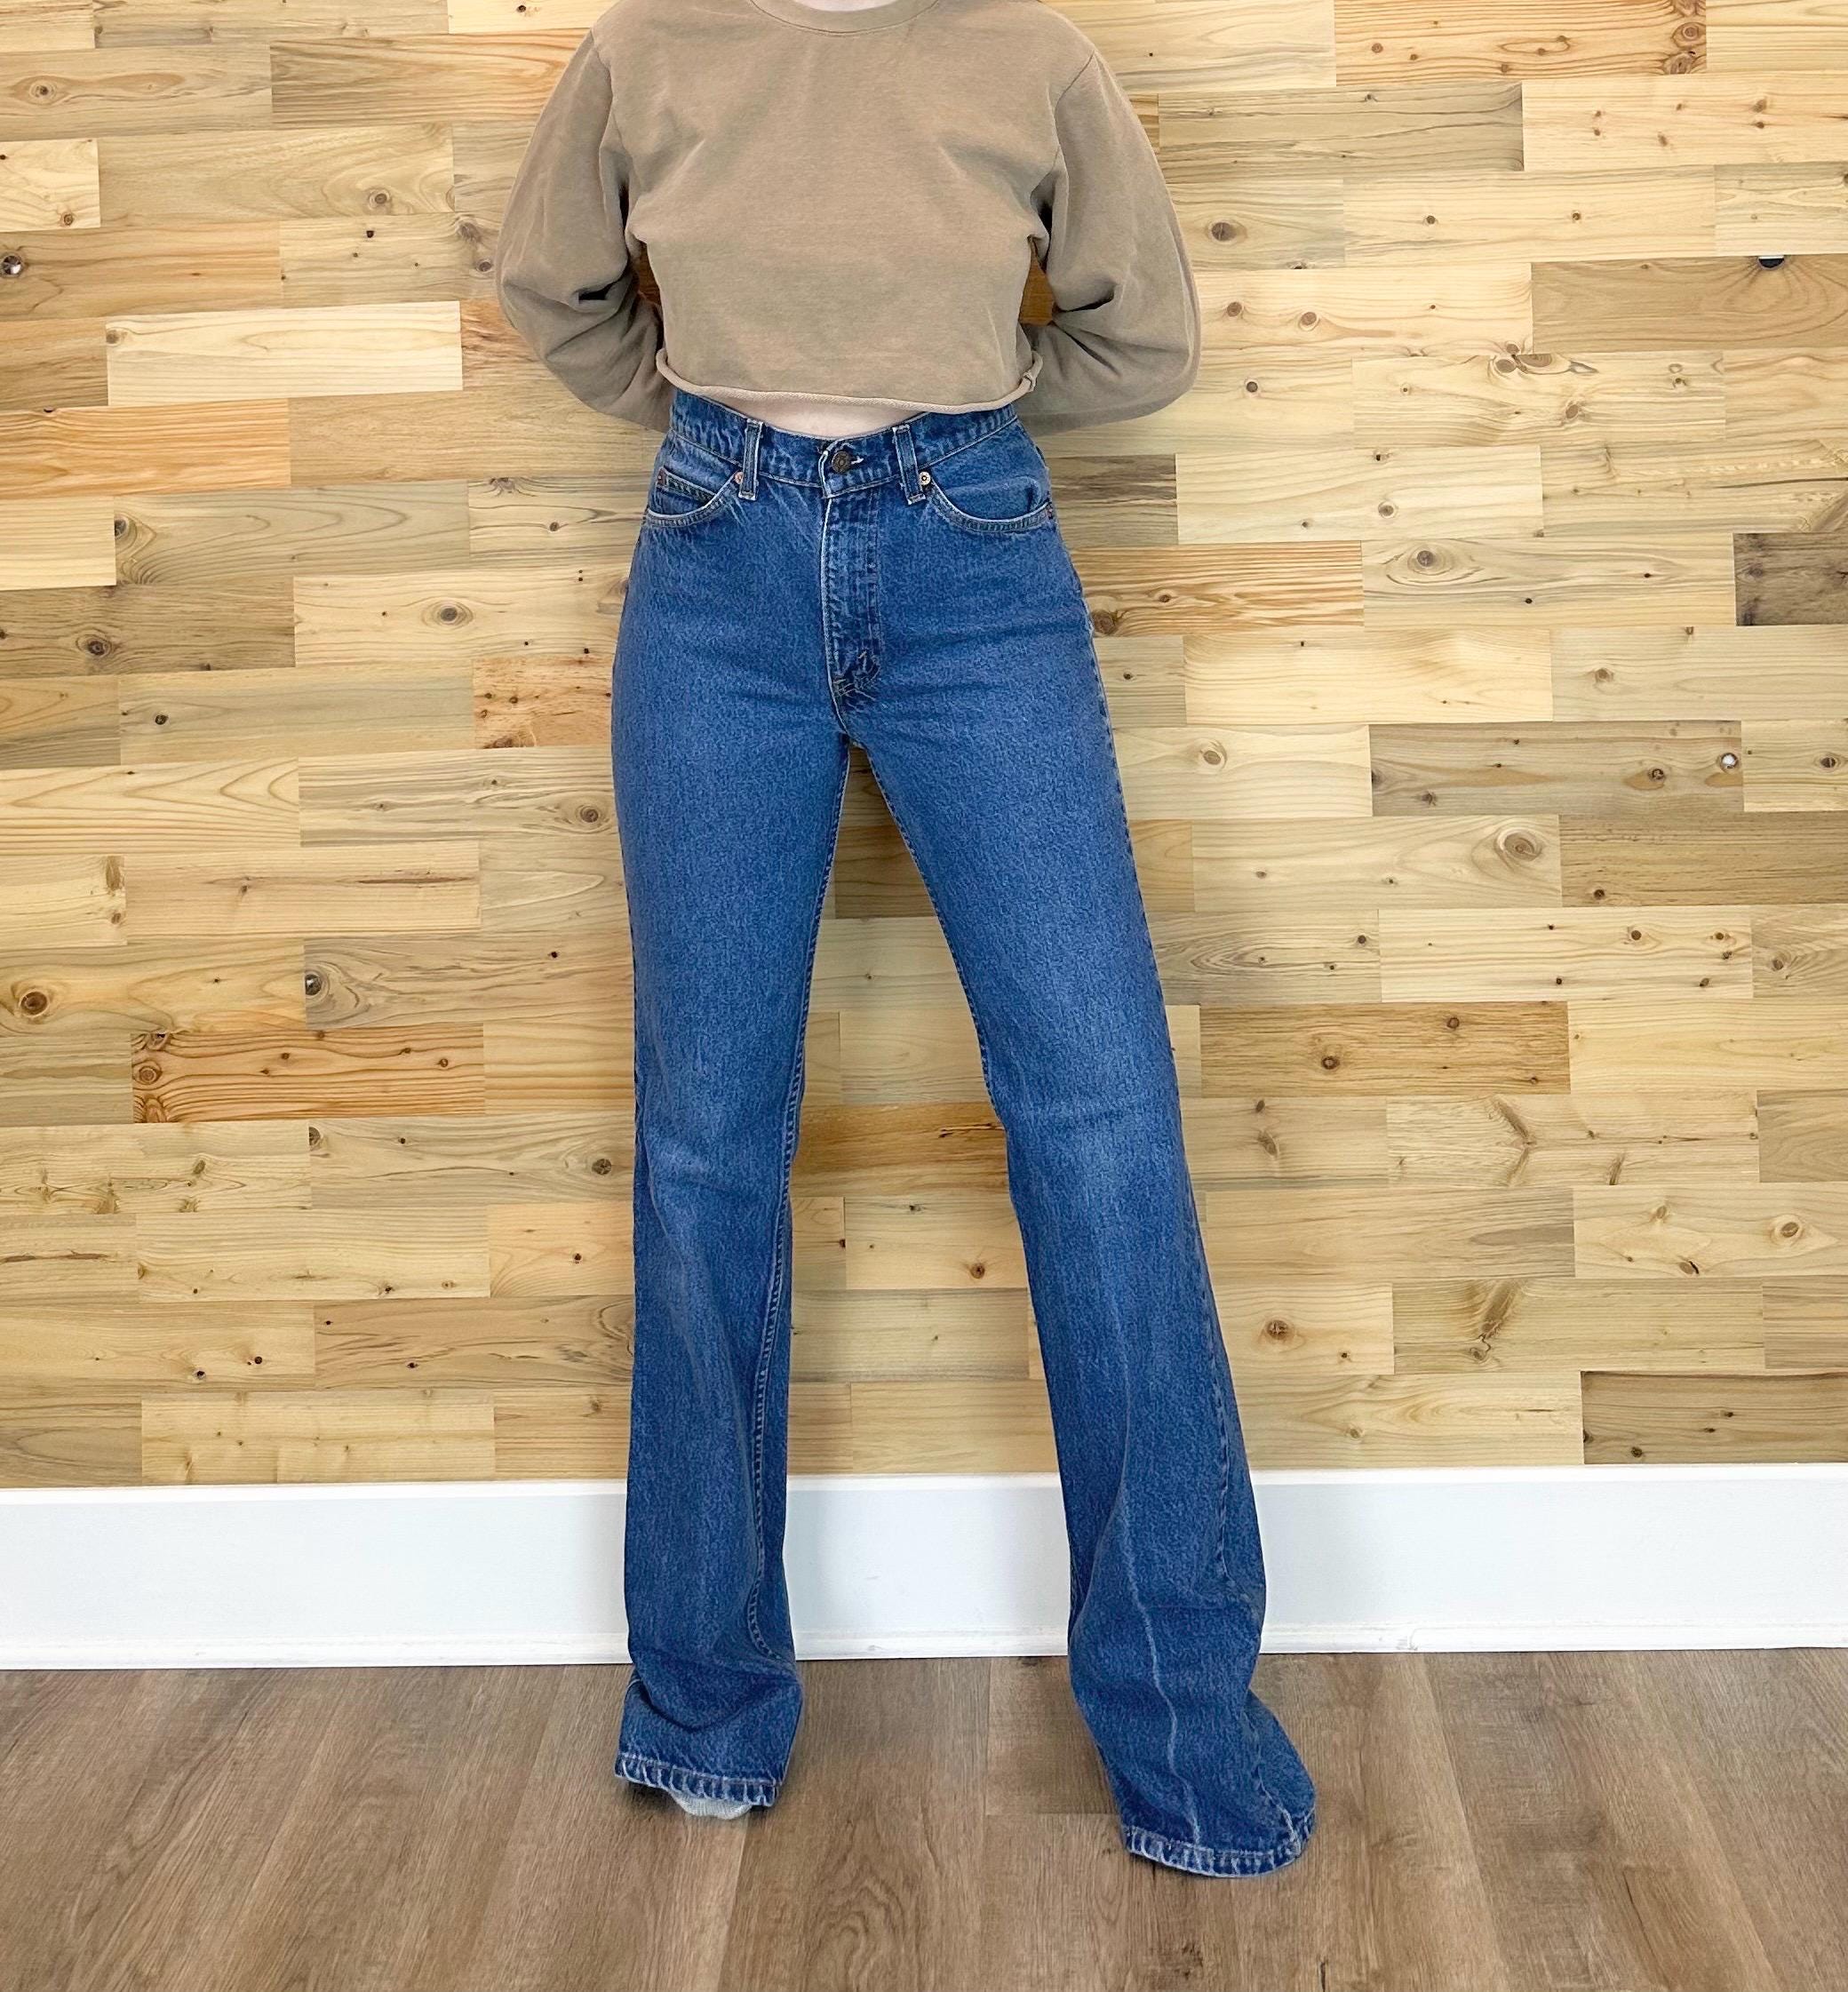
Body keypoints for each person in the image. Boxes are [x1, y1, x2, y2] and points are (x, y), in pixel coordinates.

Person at [493, 0, 1317, 1879]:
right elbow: (556, 292)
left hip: (976, 557)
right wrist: (725, 418)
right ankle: (704, 1703)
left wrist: (958, 404)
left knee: (1101, 1124)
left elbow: (1141, 333)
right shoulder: (646, 48)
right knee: (707, 1146)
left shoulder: (1031, 51)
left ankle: (1186, 1731)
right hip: (715, 564)